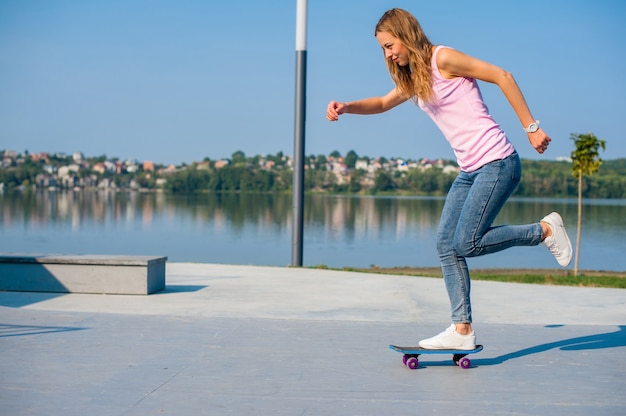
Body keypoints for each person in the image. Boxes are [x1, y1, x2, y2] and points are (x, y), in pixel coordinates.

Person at [326, 8, 572, 350]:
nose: (389, 53)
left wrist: (532, 127)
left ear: (406, 34)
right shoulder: (414, 76)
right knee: (446, 245)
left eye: (390, 44)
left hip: (497, 162)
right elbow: (383, 102)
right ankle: (461, 329)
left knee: (466, 243)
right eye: (383, 49)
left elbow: (502, 75)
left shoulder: (443, 58)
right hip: (470, 170)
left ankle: (543, 230)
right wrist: (347, 106)